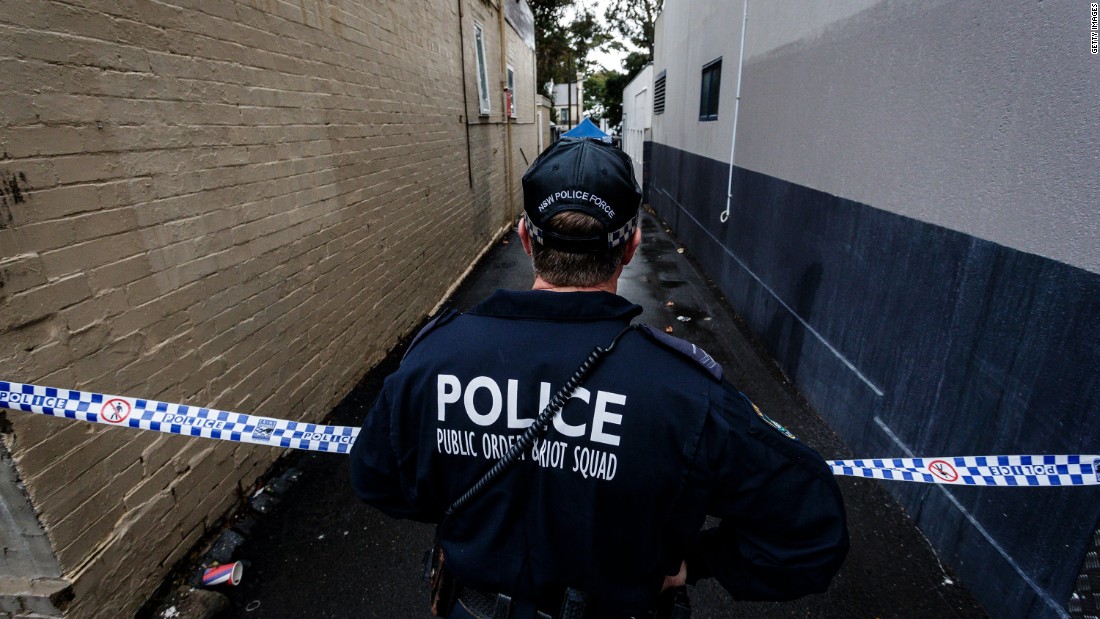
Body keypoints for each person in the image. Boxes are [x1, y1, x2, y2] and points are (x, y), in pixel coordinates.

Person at [350, 138, 849, 619]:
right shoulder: (686, 396)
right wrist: (695, 563)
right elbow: (812, 533)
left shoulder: (433, 358)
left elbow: (376, 478)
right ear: (631, 244)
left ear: (525, 237)